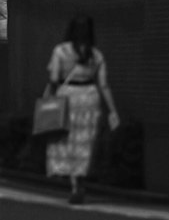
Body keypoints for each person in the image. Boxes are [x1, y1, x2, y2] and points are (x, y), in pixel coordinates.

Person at [44, 14, 120, 206]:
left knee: (68, 141)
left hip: (67, 97)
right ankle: (80, 179)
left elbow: (54, 79)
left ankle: (74, 184)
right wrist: (113, 111)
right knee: (84, 142)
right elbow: (104, 85)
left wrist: (47, 100)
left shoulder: (61, 51)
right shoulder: (96, 55)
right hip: (90, 99)